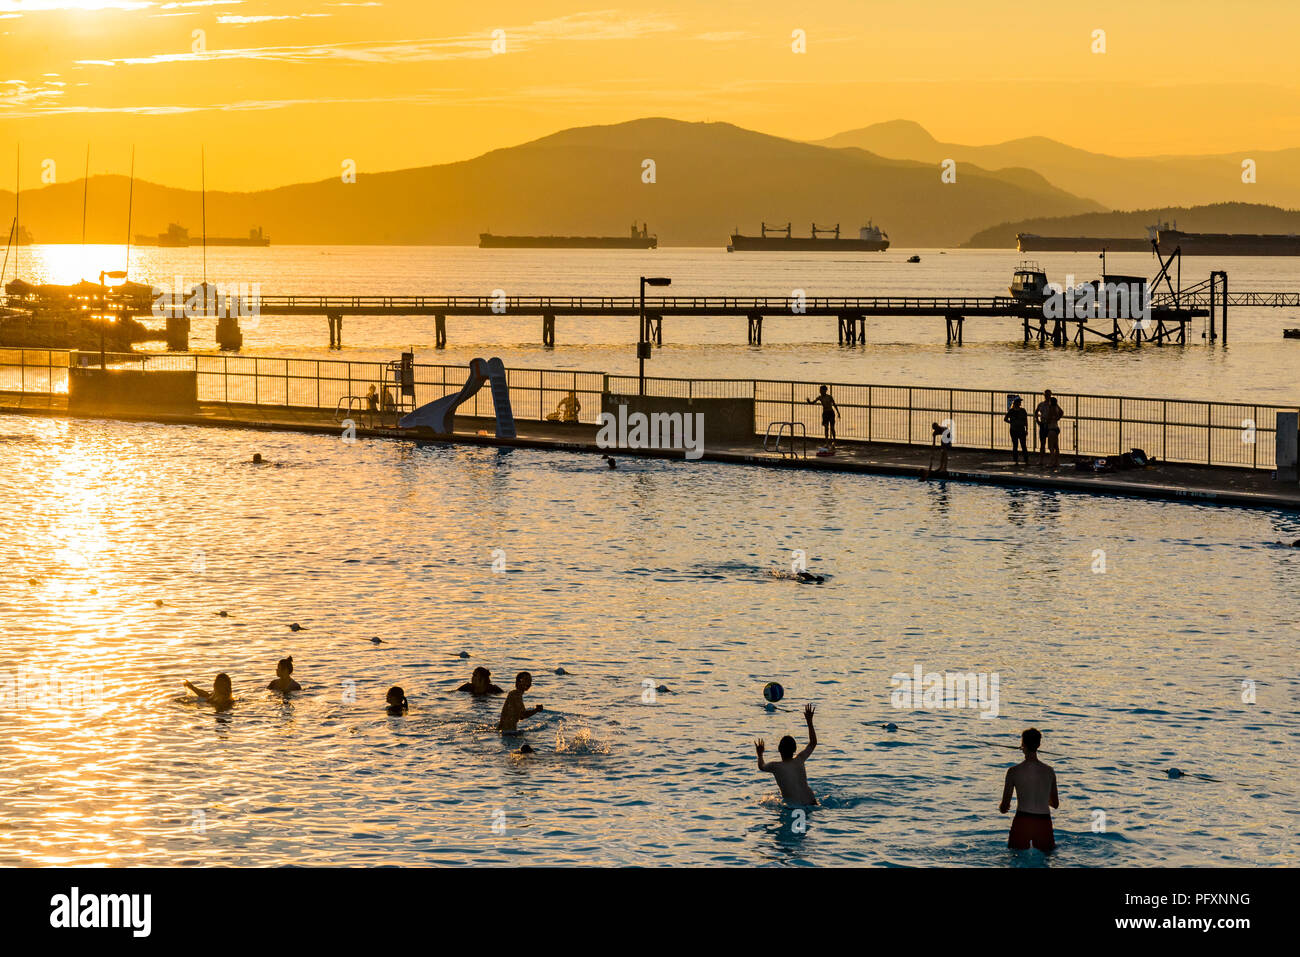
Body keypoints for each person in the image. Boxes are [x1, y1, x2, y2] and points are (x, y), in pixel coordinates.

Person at [999, 727, 1059, 854]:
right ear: (1039, 745)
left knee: (1015, 858)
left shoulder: (1013, 772)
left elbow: (1004, 808)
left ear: (1022, 744)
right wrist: (1041, 797)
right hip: (1044, 822)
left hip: (1022, 821)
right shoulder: (1049, 771)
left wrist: (1002, 808)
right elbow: (1055, 804)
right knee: (1046, 859)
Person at [754, 703, 819, 805]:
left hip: (795, 806)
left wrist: (760, 754)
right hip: (812, 801)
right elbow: (813, 743)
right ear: (795, 750)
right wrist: (809, 721)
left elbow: (761, 766)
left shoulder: (775, 766)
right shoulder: (800, 759)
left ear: (779, 749)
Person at [806, 385, 839, 449]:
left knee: (832, 428)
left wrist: (838, 412)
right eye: (820, 390)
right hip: (825, 413)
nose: (820, 391)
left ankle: (834, 442)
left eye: (821, 390)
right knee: (826, 428)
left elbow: (834, 404)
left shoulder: (829, 397)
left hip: (831, 413)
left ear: (825, 390)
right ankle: (826, 443)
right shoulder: (820, 397)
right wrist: (809, 401)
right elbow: (813, 402)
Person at [1004, 396, 1029, 466]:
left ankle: (1025, 459)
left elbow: (1026, 421)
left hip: (1020, 429)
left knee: (1023, 445)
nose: (1020, 403)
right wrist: (1011, 423)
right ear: (1015, 403)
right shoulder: (1011, 411)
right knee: (1016, 445)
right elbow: (1005, 419)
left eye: (1020, 401)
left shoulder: (1023, 410)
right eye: (1019, 401)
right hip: (1014, 430)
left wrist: (1027, 429)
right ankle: (1016, 459)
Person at [1034, 390, 1055, 467]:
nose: (1047, 396)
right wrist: (1037, 421)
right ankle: (1041, 460)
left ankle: (1052, 461)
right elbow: (1036, 412)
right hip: (1043, 425)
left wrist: (1055, 419)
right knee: (1042, 443)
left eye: (1049, 395)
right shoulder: (1041, 404)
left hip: (1049, 425)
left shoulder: (1053, 405)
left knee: (1051, 445)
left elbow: (1059, 412)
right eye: (1046, 395)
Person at [1045, 396, 1063, 469]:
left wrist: (1046, 420)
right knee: (1056, 446)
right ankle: (1057, 462)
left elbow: (1048, 419)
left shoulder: (1051, 409)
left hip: (1051, 429)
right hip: (1056, 428)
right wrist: (1058, 418)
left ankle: (1051, 462)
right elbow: (1062, 412)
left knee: (1051, 447)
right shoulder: (1056, 408)